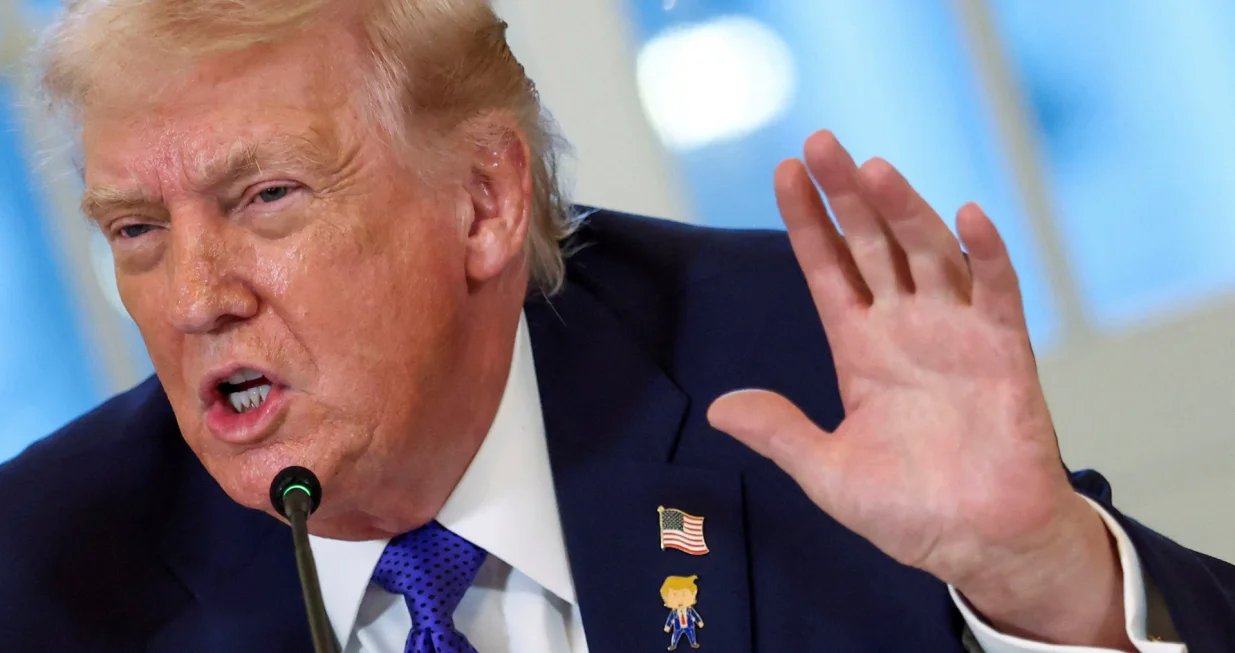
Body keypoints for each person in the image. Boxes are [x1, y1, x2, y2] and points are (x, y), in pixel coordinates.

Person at [0, 0, 1232, 651]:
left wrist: (1046, 582)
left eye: (264, 198)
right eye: (135, 231)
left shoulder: (800, 366)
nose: (195, 293)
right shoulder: (47, 574)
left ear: (483, 201)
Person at [661, 576, 704, 650]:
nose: (679, 600)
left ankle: (693, 643)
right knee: (675, 635)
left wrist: (699, 622)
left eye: (684, 594)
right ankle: (673, 644)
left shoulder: (690, 610)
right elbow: (670, 619)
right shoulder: (674, 612)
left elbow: (695, 616)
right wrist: (667, 626)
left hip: (689, 626)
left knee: (691, 634)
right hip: (678, 627)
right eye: (674, 595)